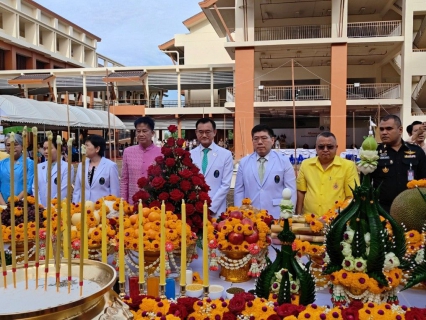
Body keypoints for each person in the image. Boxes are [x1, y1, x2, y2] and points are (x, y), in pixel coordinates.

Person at [234, 124, 296, 218]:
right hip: (250, 216)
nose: (259, 142)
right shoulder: (244, 163)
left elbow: (291, 190)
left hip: (277, 215)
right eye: (256, 139)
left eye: (264, 138)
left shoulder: (283, 161)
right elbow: (239, 191)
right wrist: (239, 215)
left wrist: (287, 215)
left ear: (272, 140)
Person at [296, 132, 360, 216]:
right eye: (321, 147)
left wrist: (340, 216)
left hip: (336, 221)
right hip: (309, 220)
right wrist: (298, 215)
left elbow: (351, 196)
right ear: (316, 148)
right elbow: (301, 191)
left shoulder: (348, 166)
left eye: (330, 147)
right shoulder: (306, 165)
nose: (325, 150)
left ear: (336, 147)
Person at [371, 115, 426, 212]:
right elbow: (366, 183)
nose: (384, 132)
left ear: (400, 130)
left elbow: (424, 180)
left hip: (412, 208)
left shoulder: (416, 151)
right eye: (381, 129)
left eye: (389, 129)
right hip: (382, 209)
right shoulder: (374, 153)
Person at [190, 118, 233, 216]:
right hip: (194, 209)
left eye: (208, 132)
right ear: (196, 133)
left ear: (214, 132)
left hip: (216, 210)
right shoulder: (189, 155)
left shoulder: (225, 154)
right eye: (201, 132)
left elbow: (225, 184)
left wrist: (211, 207)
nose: (204, 135)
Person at [120, 117, 162, 203]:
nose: (141, 134)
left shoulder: (161, 153)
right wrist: (123, 202)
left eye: (145, 131)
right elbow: (124, 180)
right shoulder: (128, 152)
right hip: (133, 203)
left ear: (152, 133)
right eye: (138, 131)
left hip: (154, 203)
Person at [73, 135, 120, 203]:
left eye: (87, 145)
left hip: (102, 208)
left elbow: (114, 192)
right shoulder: (81, 165)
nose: (83, 147)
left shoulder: (110, 166)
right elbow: (77, 190)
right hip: (83, 208)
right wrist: (75, 205)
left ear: (97, 149)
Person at [33, 137, 74, 207]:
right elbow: (35, 188)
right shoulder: (39, 167)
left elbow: (63, 191)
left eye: (49, 148)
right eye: (44, 148)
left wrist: (50, 208)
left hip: (57, 209)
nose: (46, 151)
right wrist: (39, 206)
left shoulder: (67, 167)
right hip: (40, 209)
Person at [0, 133, 34, 204]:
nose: (11, 147)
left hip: (21, 204)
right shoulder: (1, 163)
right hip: (2, 204)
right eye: (8, 145)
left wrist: (15, 201)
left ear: (22, 146)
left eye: (15, 144)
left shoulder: (29, 163)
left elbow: (28, 187)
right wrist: (4, 205)